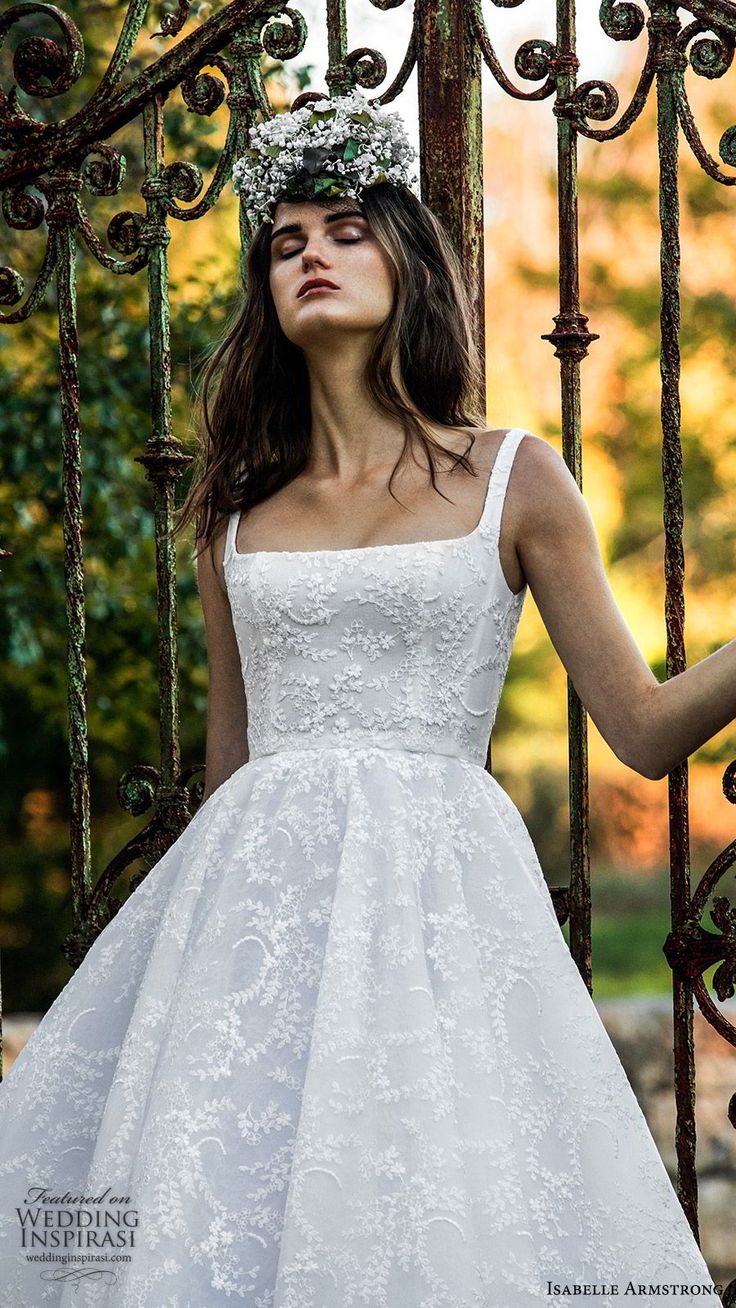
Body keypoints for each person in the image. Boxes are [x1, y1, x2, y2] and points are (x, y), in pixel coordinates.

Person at [0, 88, 730, 1307]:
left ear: (406, 254)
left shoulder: (516, 478)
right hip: (255, 932)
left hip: (443, 915)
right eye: (285, 244)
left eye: (343, 228)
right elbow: (231, 768)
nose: (312, 257)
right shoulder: (235, 515)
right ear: (267, 296)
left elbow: (644, 733)